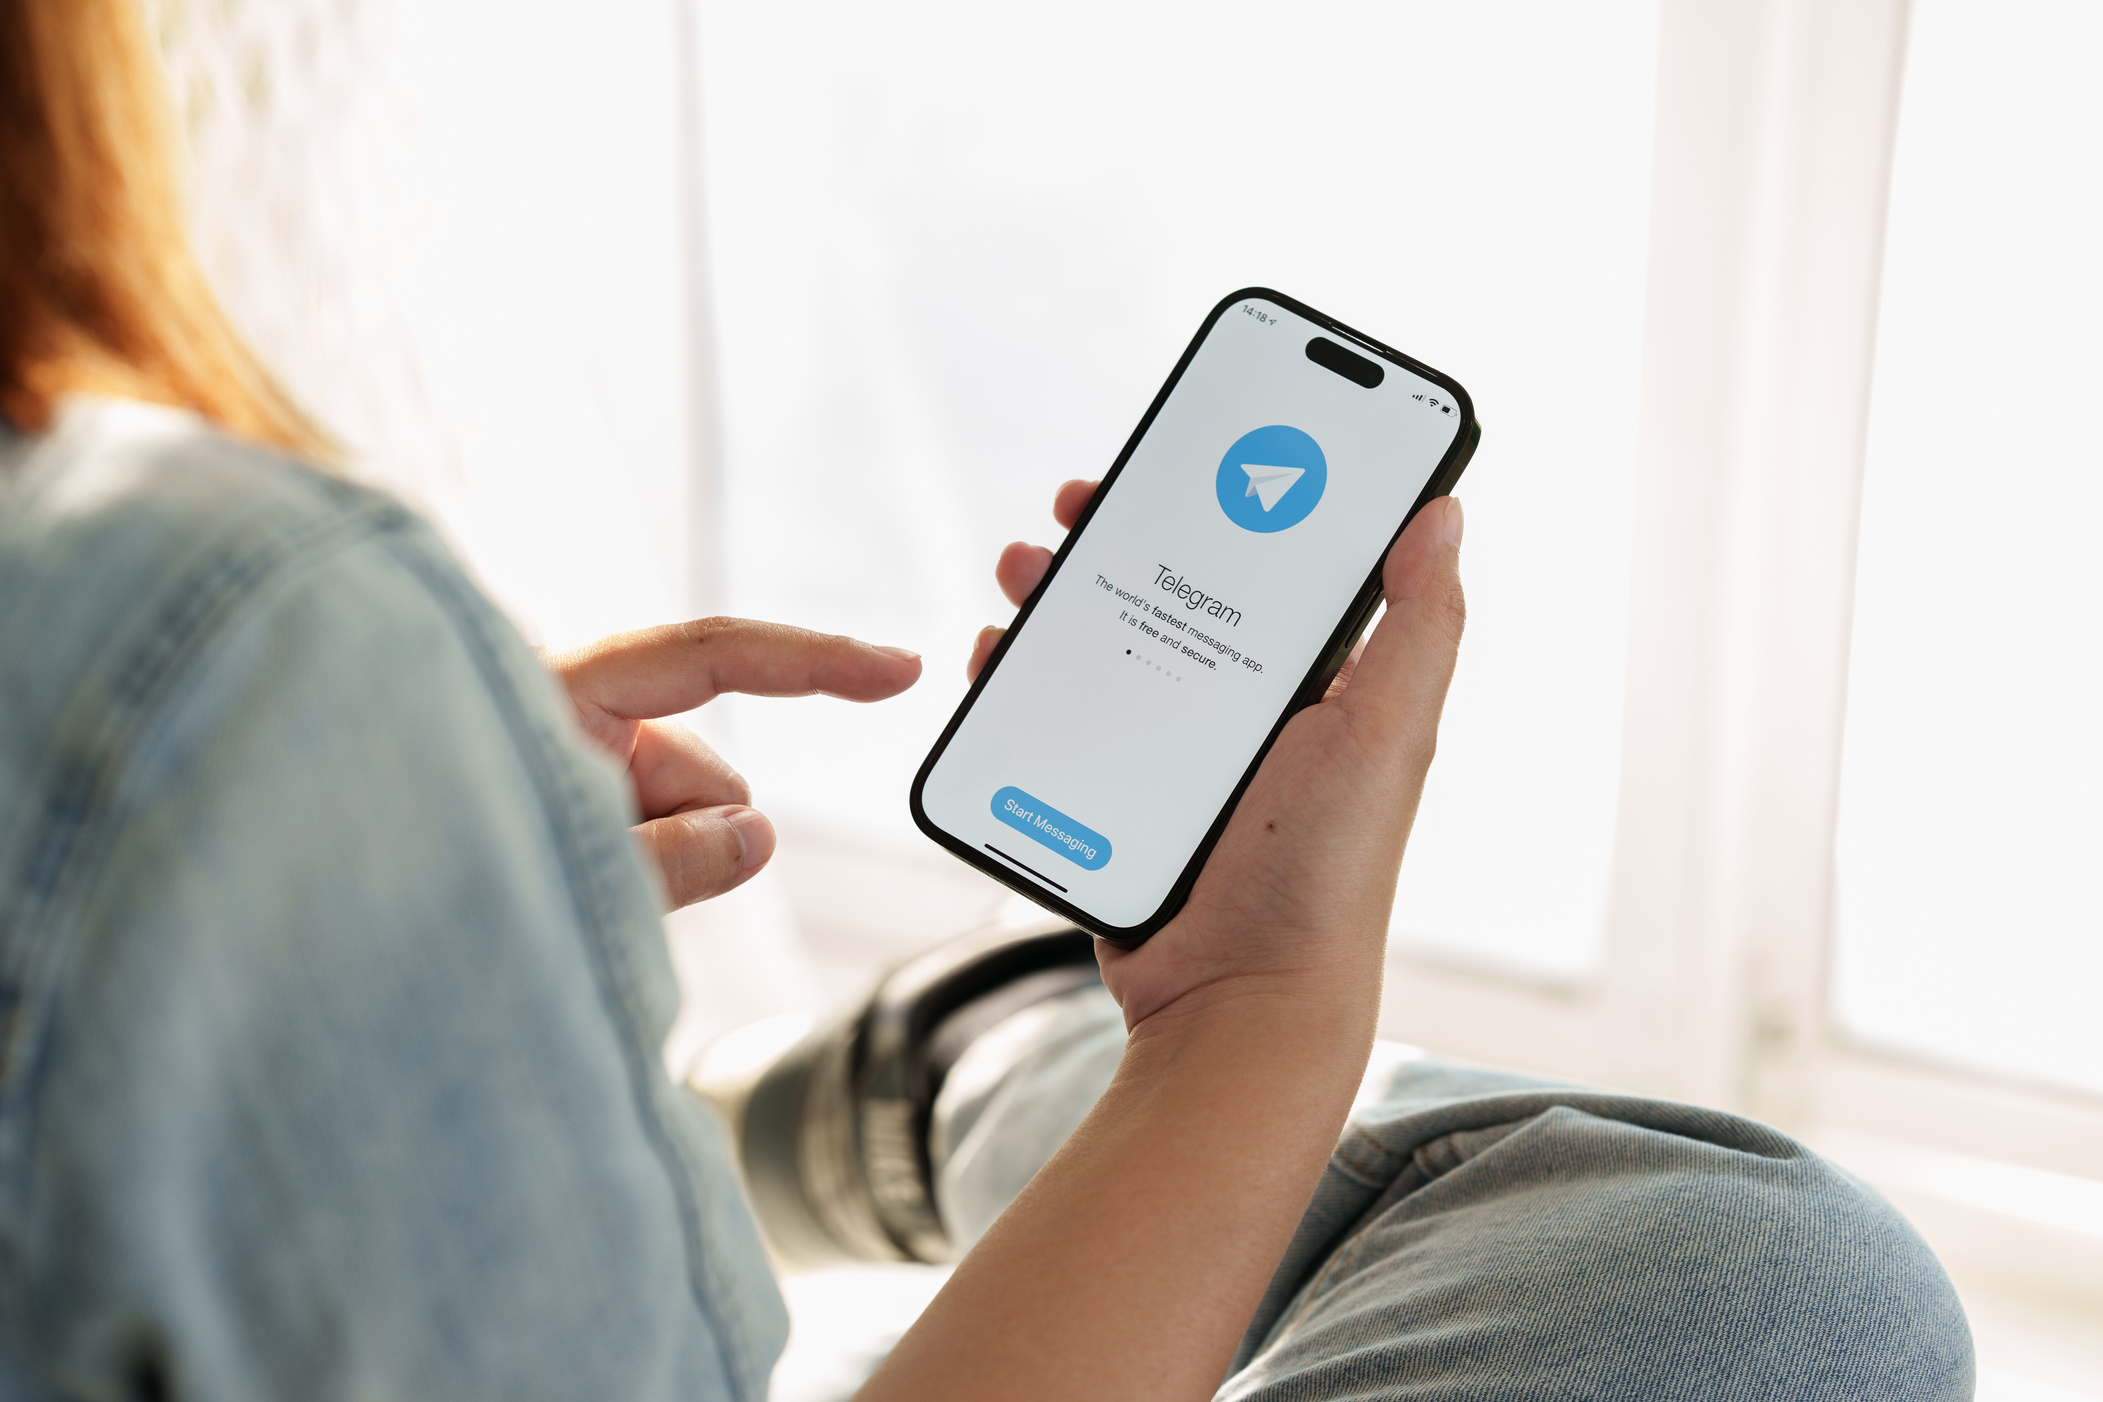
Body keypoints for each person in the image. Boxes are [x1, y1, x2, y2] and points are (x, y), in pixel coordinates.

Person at [0, 2, 1973, 1399]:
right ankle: (881, 1082)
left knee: (1739, 1255)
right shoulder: (184, 609)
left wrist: (335, 890)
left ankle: (845, 1087)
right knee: (1775, 1284)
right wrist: (1246, 1024)